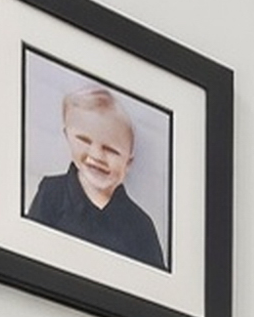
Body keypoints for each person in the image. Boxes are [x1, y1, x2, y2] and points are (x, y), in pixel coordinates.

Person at [23, 80, 162, 266]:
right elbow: (29, 250)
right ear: (67, 137)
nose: (96, 156)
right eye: (84, 140)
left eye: (111, 150)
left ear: (128, 163)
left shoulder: (140, 225)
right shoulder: (51, 192)